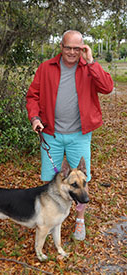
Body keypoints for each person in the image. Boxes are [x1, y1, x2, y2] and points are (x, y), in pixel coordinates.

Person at [26, 30, 113, 241]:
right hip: (50, 133)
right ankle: (49, 218)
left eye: (77, 48)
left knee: (82, 179)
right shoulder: (46, 68)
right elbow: (32, 96)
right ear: (61, 47)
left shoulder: (88, 68)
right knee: (49, 180)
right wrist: (35, 118)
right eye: (68, 47)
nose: (72, 52)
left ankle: (80, 221)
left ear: (83, 48)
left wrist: (91, 62)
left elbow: (107, 87)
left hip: (79, 135)